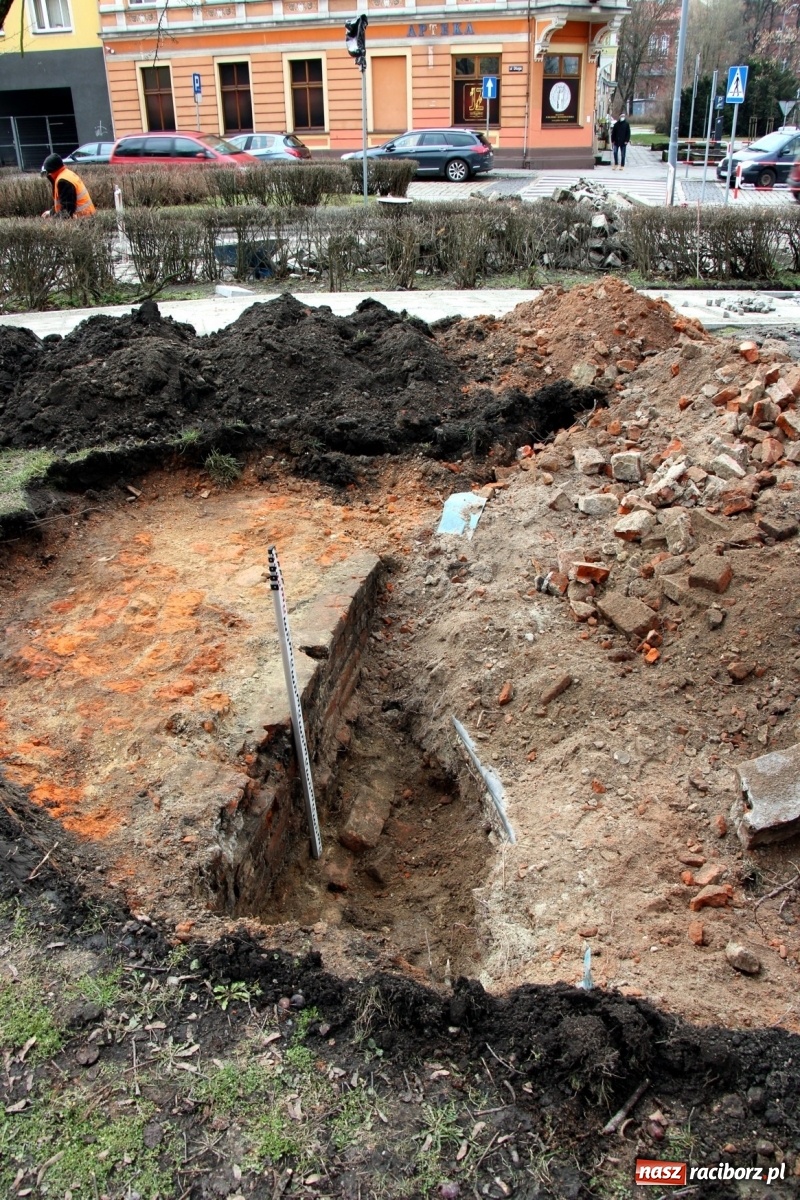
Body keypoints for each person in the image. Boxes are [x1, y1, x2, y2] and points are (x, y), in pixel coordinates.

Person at [40, 153, 96, 219]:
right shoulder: (66, 174)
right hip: (87, 216)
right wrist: (51, 213)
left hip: (82, 219)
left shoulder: (63, 182)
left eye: (47, 172)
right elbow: (62, 205)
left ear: (51, 171)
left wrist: (52, 221)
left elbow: (66, 212)